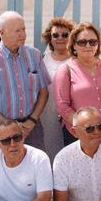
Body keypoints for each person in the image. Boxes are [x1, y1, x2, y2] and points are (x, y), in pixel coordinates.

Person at [0, 11, 52, 151]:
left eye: (23, 29)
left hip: (31, 129)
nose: (22, 34)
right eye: (17, 31)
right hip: (0, 130)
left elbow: (43, 93)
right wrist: (8, 125)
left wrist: (32, 120)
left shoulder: (35, 55)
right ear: (1, 32)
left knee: (35, 169)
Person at [54, 22, 101, 147]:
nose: (88, 46)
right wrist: (86, 130)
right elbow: (63, 107)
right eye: (82, 42)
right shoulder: (66, 70)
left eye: (93, 42)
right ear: (73, 45)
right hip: (78, 136)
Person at [40, 17, 74, 159]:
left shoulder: (76, 60)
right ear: (50, 38)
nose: (60, 38)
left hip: (69, 115)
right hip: (46, 114)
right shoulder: (42, 59)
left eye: (65, 34)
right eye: (55, 35)